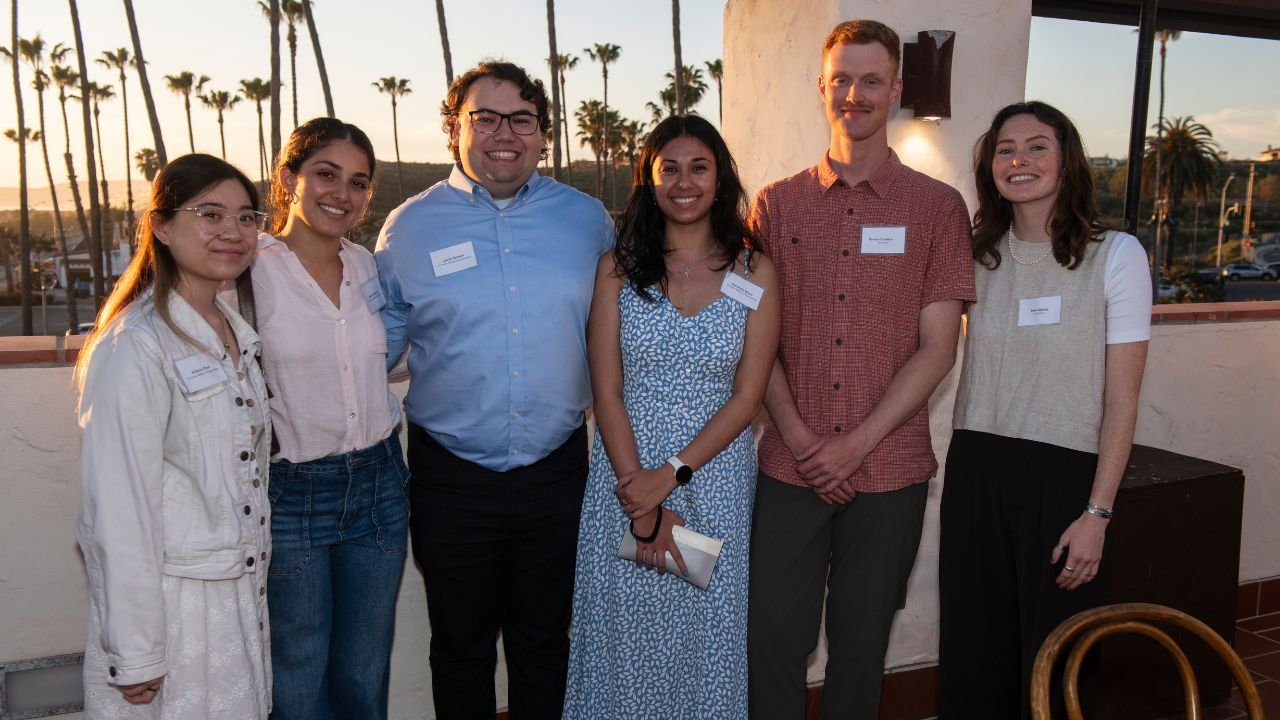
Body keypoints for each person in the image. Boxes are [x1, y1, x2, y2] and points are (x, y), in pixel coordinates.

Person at [747, 19, 977, 720]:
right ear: (822, 89)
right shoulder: (775, 203)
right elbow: (759, 337)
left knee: (860, 648)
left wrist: (854, 445)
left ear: (896, 89)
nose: (855, 93)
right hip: (790, 466)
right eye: (841, 80)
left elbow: (939, 346)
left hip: (891, 470)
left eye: (871, 79)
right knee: (770, 641)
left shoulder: (939, 208)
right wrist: (799, 435)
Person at [375, 60, 613, 719]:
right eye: (485, 117)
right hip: (450, 479)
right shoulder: (409, 226)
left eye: (522, 119)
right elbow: (377, 337)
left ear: (543, 134)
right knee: (460, 649)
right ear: (455, 128)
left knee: (544, 644)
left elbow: (623, 323)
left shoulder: (588, 222)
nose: (503, 133)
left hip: (556, 471)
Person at [563, 114, 781, 719]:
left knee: (703, 642)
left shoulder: (753, 270)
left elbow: (749, 395)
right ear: (649, 180)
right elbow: (606, 390)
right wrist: (644, 495)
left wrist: (673, 475)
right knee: (620, 642)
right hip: (624, 479)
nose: (684, 182)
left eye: (699, 167)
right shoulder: (616, 270)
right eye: (670, 168)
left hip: (713, 480)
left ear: (721, 177)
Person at [939, 101, 1151, 718]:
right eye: (1006, 148)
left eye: (1037, 146)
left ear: (1067, 160)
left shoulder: (1115, 255)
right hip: (977, 468)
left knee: (1059, 656)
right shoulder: (977, 255)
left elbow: (1123, 397)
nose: (1019, 161)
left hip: (1065, 477)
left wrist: (1098, 513)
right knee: (977, 651)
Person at [74, 153, 272, 718]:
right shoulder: (134, 346)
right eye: (210, 214)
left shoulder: (235, 334)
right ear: (160, 226)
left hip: (238, 600)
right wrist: (136, 652)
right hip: (174, 611)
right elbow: (117, 508)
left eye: (245, 217)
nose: (232, 232)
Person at [249, 117, 409, 720]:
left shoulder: (367, 265)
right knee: (298, 669)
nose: (343, 193)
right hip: (293, 492)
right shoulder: (248, 270)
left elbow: (389, 351)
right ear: (288, 178)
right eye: (326, 174)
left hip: (381, 483)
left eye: (359, 182)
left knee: (365, 668)